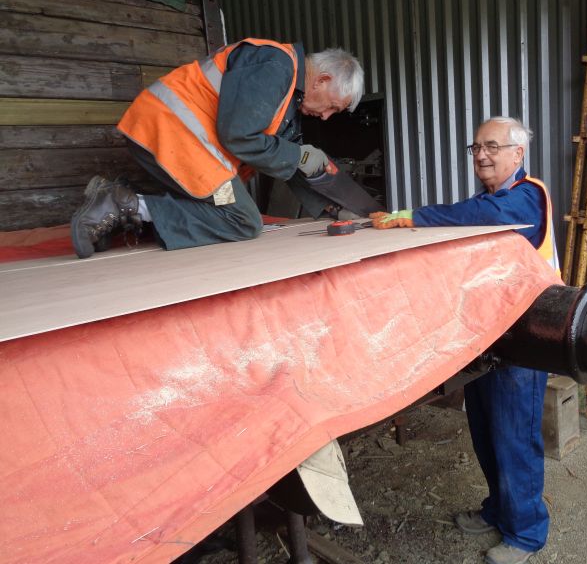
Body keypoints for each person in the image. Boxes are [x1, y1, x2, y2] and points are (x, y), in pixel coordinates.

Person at [370, 116, 559, 564]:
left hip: (527, 339)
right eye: (475, 148)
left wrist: (411, 217)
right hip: (489, 336)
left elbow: (480, 219)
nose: (482, 156)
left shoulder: (526, 197)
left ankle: (527, 535)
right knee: (486, 432)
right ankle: (499, 511)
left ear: (518, 153)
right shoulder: (487, 199)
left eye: (492, 147)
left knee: (515, 437)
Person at [70, 39, 364, 258]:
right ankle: (124, 204)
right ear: (322, 81)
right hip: (172, 131)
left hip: (180, 138)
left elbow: (284, 156)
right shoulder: (275, 66)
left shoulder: (289, 93)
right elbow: (241, 137)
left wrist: (330, 206)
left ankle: (124, 206)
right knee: (243, 220)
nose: (326, 116)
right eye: (332, 108)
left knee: (231, 209)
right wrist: (299, 156)